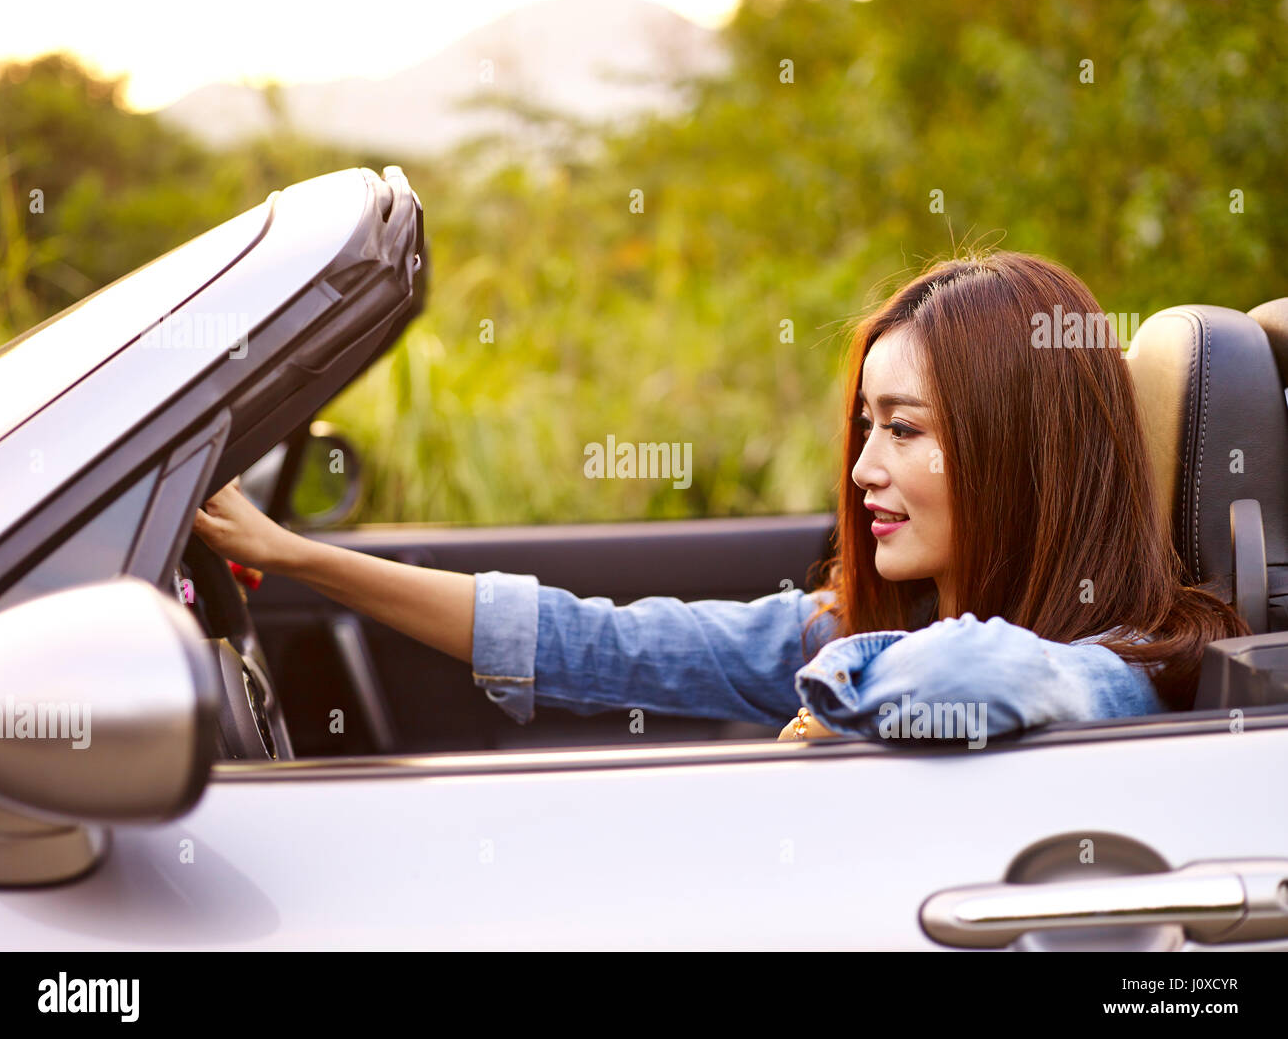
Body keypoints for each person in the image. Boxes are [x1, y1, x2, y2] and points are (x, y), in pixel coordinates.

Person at [191, 250, 1250, 747]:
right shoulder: (859, 630)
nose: (862, 471)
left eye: (905, 430)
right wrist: (295, 555)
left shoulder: (1126, 671)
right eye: (865, 427)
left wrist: (830, 703)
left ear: (1018, 455)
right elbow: (588, 641)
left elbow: (985, 674)